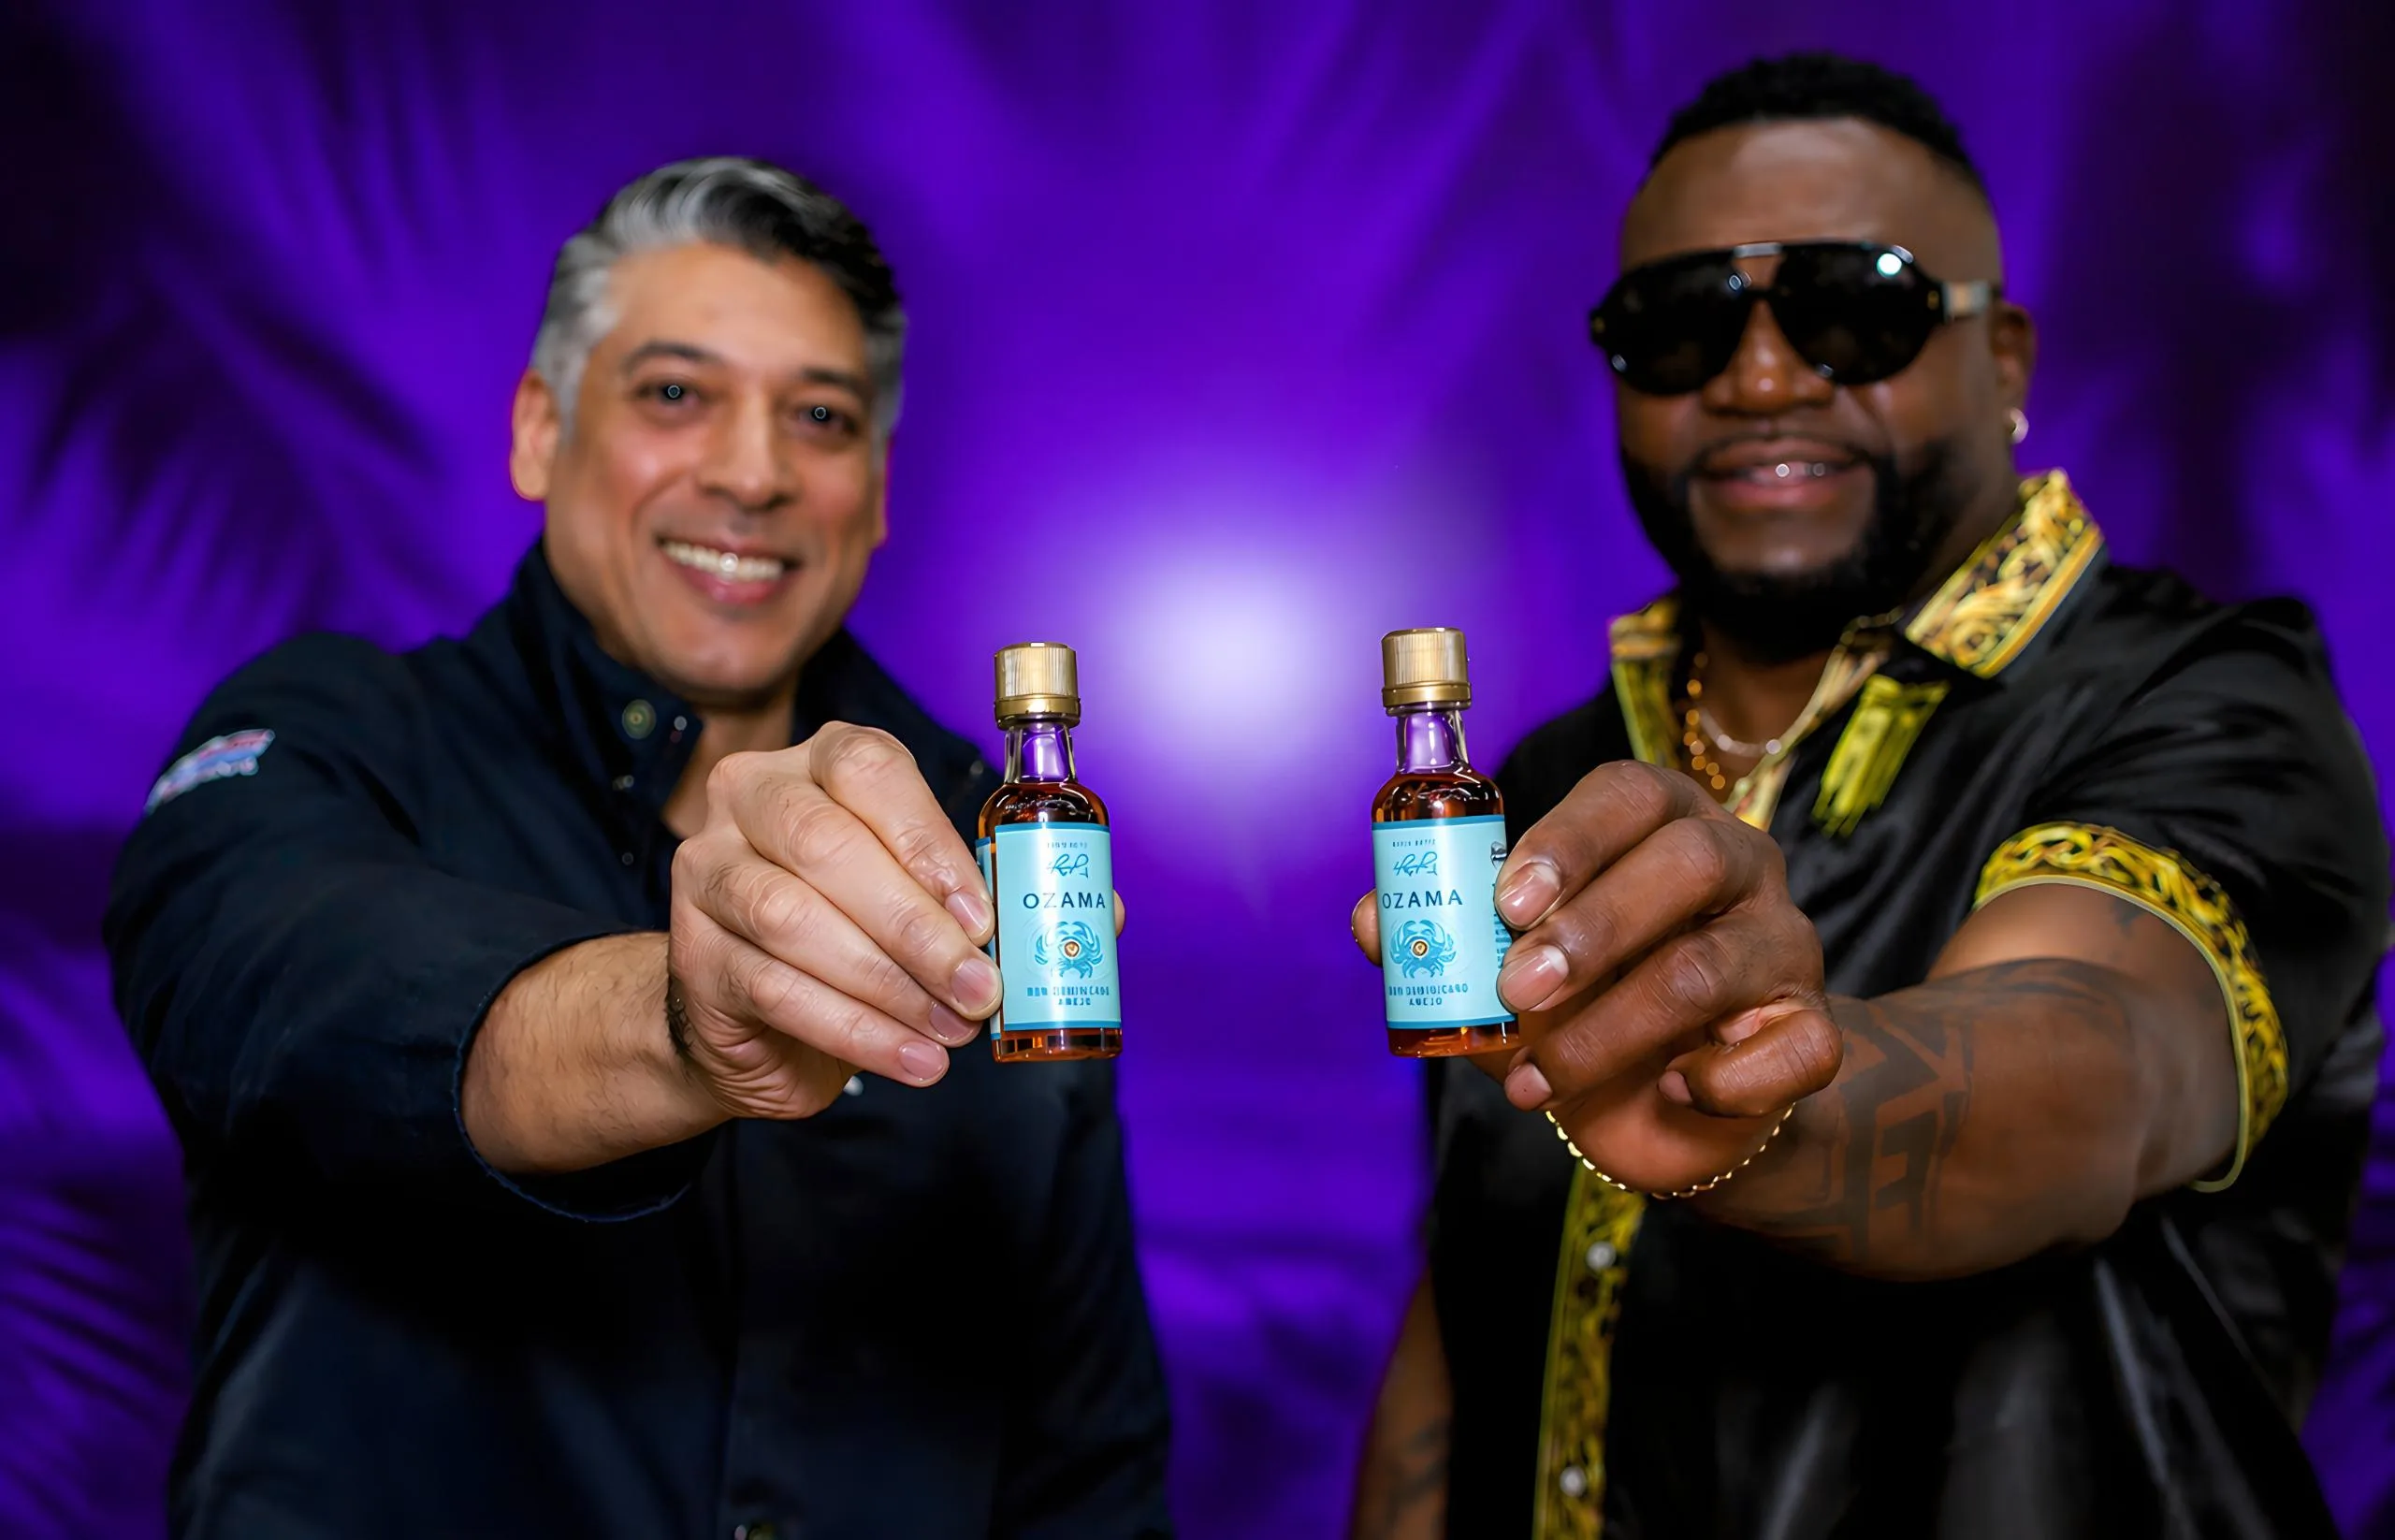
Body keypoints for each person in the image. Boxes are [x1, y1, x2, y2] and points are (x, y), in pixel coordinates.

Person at [1348, 54, 2387, 1540]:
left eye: (1856, 308)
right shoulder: (1534, 785)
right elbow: (1475, 1275)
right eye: (1681, 324)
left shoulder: (2218, 702)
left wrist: (1763, 1106)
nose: (1762, 377)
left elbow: (2088, 1072)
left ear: (2005, 359)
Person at [106, 157, 1169, 1540]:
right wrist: (683, 1018)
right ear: (540, 431)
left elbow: (1085, 1472)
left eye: (821, 416)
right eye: (676, 394)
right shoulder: (330, 735)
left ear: (875, 490)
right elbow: (267, 993)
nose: (752, 473)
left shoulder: (1003, 853)